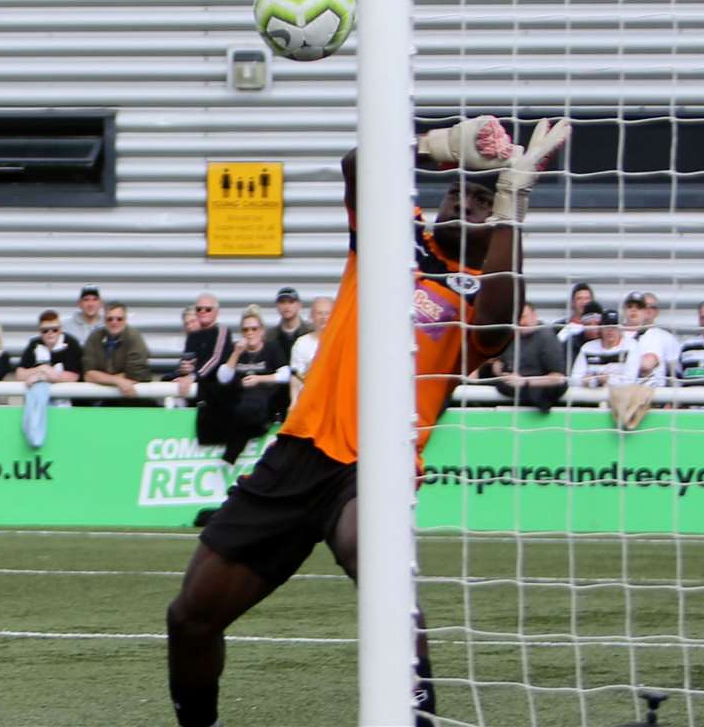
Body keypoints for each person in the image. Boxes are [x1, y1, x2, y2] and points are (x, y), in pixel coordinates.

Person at [166, 114, 569, 727]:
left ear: (501, 224)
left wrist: (513, 200)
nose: (465, 197)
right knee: (190, 617)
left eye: (485, 198)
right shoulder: (395, 236)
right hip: (298, 451)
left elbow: (495, 323)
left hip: (376, 463)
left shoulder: (485, 290)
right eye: (460, 188)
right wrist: (435, 145)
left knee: (371, 555)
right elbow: (359, 166)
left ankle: (419, 716)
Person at [192, 307, 289, 464]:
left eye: (254, 329)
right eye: (245, 330)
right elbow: (223, 377)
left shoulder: (272, 348)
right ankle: (227, 450)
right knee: (213, 393)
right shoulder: (236, 350)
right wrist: (235, 354)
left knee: (250, 407)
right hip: (240, 398)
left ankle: (231, 453)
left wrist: (260, 379)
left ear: (262, 331)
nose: (249, 333)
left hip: (264, 398)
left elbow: (285, 374)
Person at [478, 303, 567, 411]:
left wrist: (524, 381)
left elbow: (558, 378)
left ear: (534, 315)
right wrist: (499, 369)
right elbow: (497, 363)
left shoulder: (547, 337)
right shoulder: (511, 336)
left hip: (535, 398)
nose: (521, 322)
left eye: (524, 317)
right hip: (509, 394)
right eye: (517, 318)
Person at [81, 302, 151, 399]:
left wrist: (102, 378)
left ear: (125, 320)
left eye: (119, 319)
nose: (114, 322)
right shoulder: (95, 337)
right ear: (104, 320)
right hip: (101, 397)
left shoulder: (134, 337)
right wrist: (117, 381)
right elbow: (88, 375)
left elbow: (135, 375)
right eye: (109, 319)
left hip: (134, 397)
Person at [570, 309, 636, 387]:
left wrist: (608, 380)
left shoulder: (631, 346)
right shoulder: (587, 348)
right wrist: (595, 381)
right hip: (591, 396)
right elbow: (574, 379)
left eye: (614, 327)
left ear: (621, 328)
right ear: (601, 328)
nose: (610, 331)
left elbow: (630, 381)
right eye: (607, 326)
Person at [630, 291, 680, 386]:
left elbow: (675, 373)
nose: (648, 309)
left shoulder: (667, 338)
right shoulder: (624, 334)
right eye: (644, 306)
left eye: (652, 307)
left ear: (657, 312)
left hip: (656, 394)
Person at [17, 310, 82, 382]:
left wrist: (42, 376)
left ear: (60, 330)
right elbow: (20, 374)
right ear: (39, 331)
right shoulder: (34, 344)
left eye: (54, 330)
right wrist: (42, 368)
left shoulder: (71, 343)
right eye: (45, 330)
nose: (50, 333)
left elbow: (74, 376)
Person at [287, 296, 334, 386]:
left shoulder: (343, 343)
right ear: (311, 316)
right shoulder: (302, 343)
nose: (323, 317)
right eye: (319, 313)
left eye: (327, 313)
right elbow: (295, 378)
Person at [267, 287, 310, 366]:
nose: (286, 306)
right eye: (282, 302)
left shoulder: (310, 332)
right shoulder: (269, 336)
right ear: (277, 306)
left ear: (299, 305)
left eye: (291, 302)